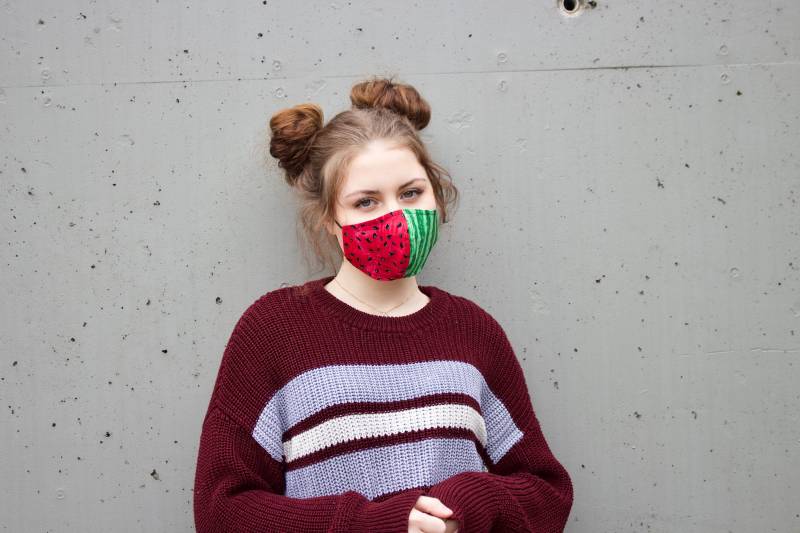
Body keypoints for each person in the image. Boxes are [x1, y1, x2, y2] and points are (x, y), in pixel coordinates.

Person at [193, 75, 574, 533]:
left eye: (411, 193)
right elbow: (222, 510)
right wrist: (369, 524)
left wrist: (470, 503)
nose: (395, 217)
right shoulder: (274, 331)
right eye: (366, 202)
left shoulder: (473, 331)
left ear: (437, 195)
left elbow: (546, 492)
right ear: (331, 219)